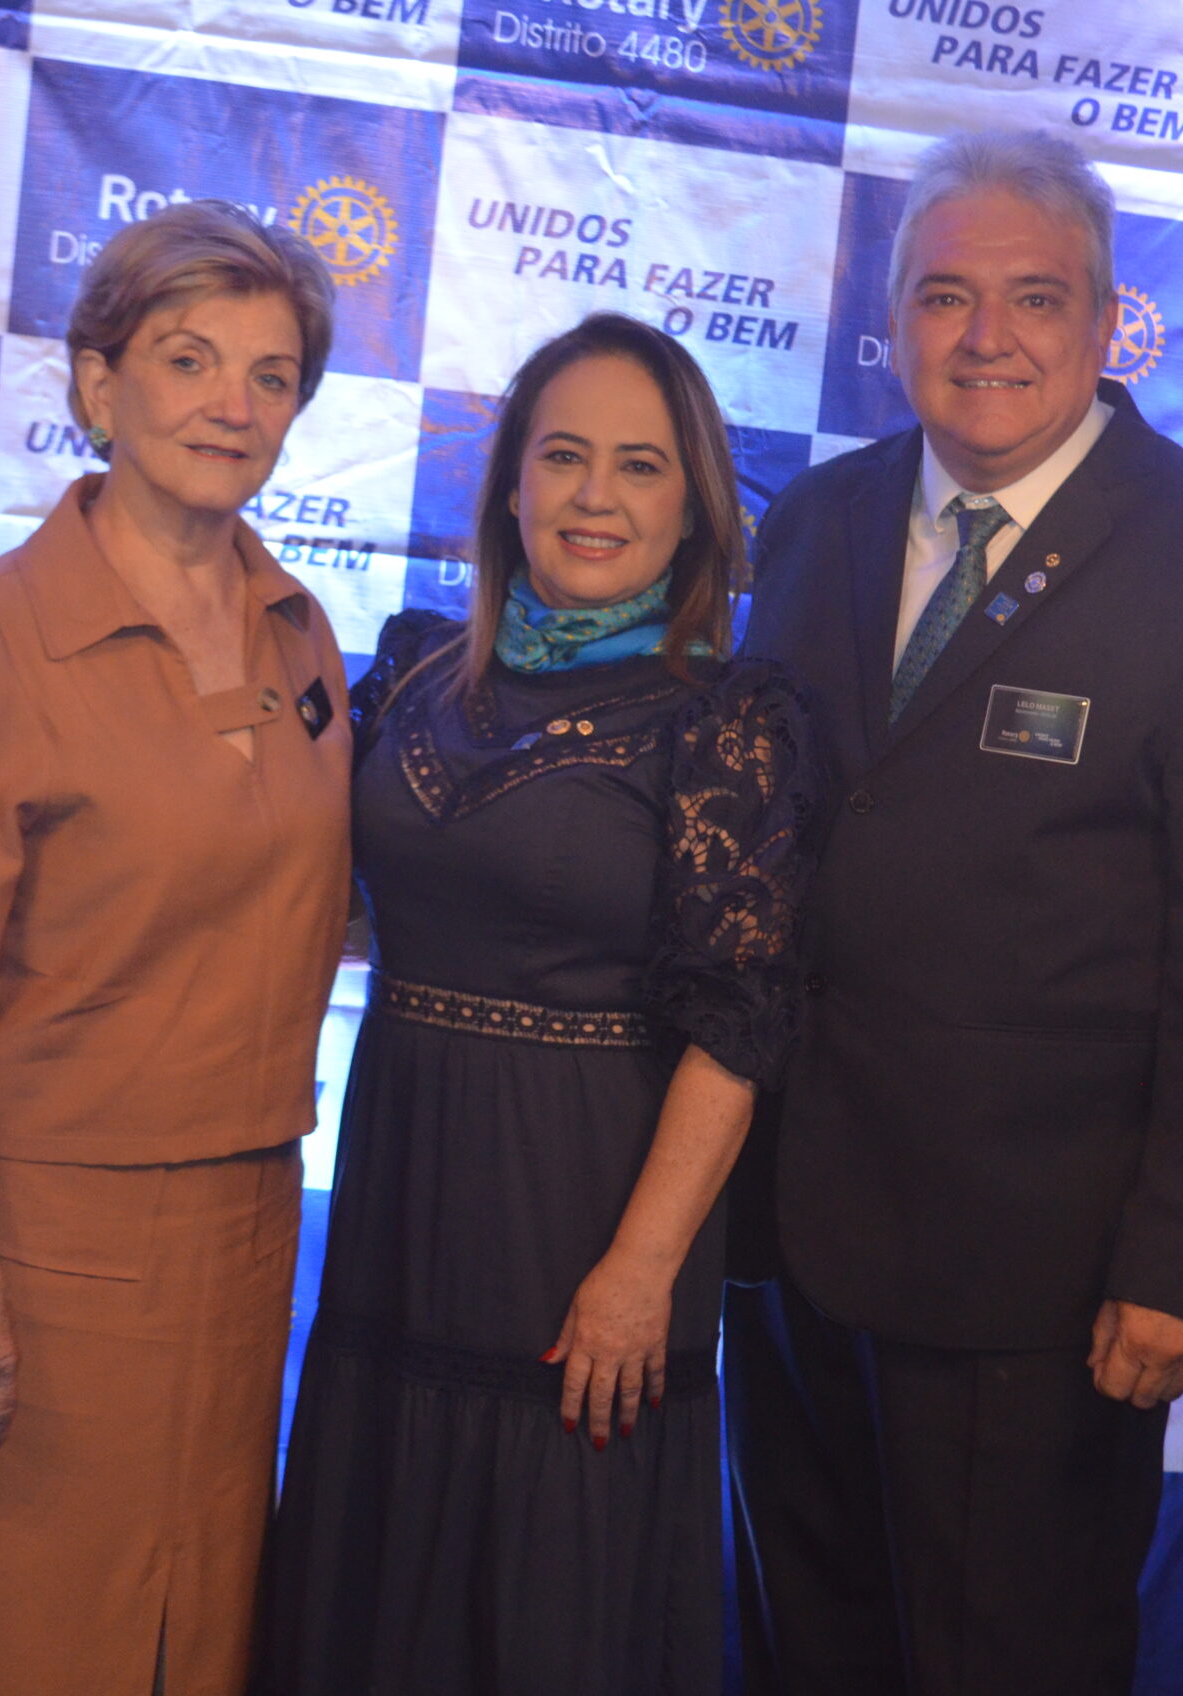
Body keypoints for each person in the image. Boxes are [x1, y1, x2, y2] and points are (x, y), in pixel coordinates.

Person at [722, 129, 1183, 1696]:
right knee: (809, 1655)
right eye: (945, 296)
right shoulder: (816, 522)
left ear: (1109, 322)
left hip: (1043, 1285)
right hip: (789, 1241)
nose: (985, 337)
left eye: (1034, 297)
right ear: (892, 322)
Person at [0, 201, 352, 1696]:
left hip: (239, 1234)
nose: (232, 406)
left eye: (272, 375)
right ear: (98, 385)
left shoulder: (301, 632)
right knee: (6, 1636)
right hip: (33, 1240)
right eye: (188, 360)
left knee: (192, 1634)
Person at [259, 312, 819, 1695]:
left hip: (588, 1232)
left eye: (640, 465)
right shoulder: (413, 673)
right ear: (510, 483)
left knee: (551, 1606)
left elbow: (737, 1030)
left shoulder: (726, 719)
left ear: (696, 508)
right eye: (563, 456)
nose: (593, 496)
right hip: (398, 1218)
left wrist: (641, 1274)